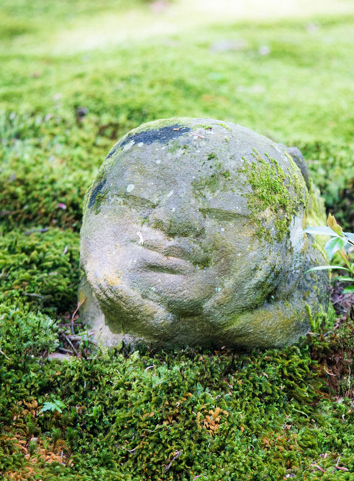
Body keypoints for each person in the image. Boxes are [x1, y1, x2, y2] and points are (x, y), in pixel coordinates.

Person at [79, 118, 328, 349]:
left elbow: (307, 307)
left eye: (224, 209)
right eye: (138, 198)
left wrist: (234, 323)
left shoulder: (301, 256)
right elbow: (92, 289)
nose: (174, 221)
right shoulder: (103, 261)